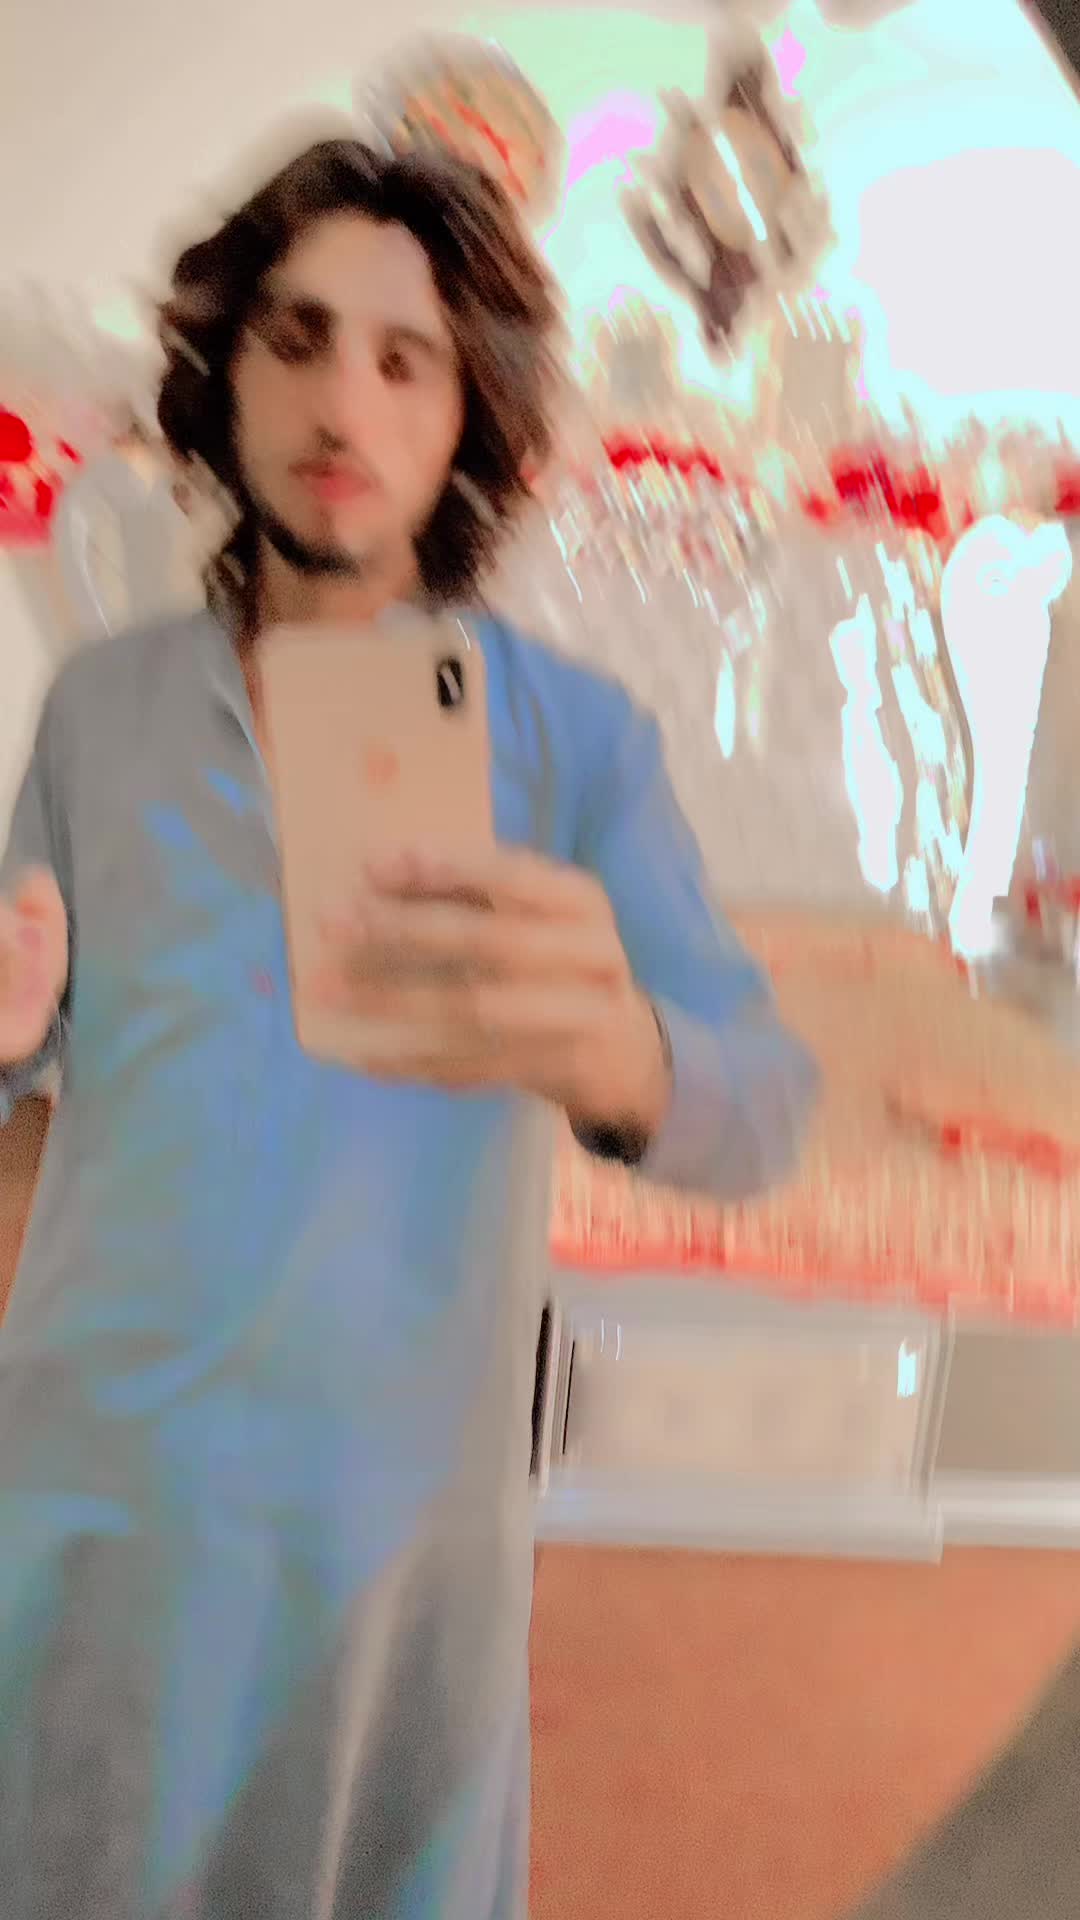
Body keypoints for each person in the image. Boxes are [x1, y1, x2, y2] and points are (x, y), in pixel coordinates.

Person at [0, 140, 818, 1919]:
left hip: (387, 1536)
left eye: (405, 357)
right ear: (225, 373)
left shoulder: (573, 742)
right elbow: (34, 1091)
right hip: (93, 1493)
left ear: (471, 413)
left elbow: (769, 1111)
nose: (342, 403)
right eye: (296, 338)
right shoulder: (97, 711)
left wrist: (624, 1059)